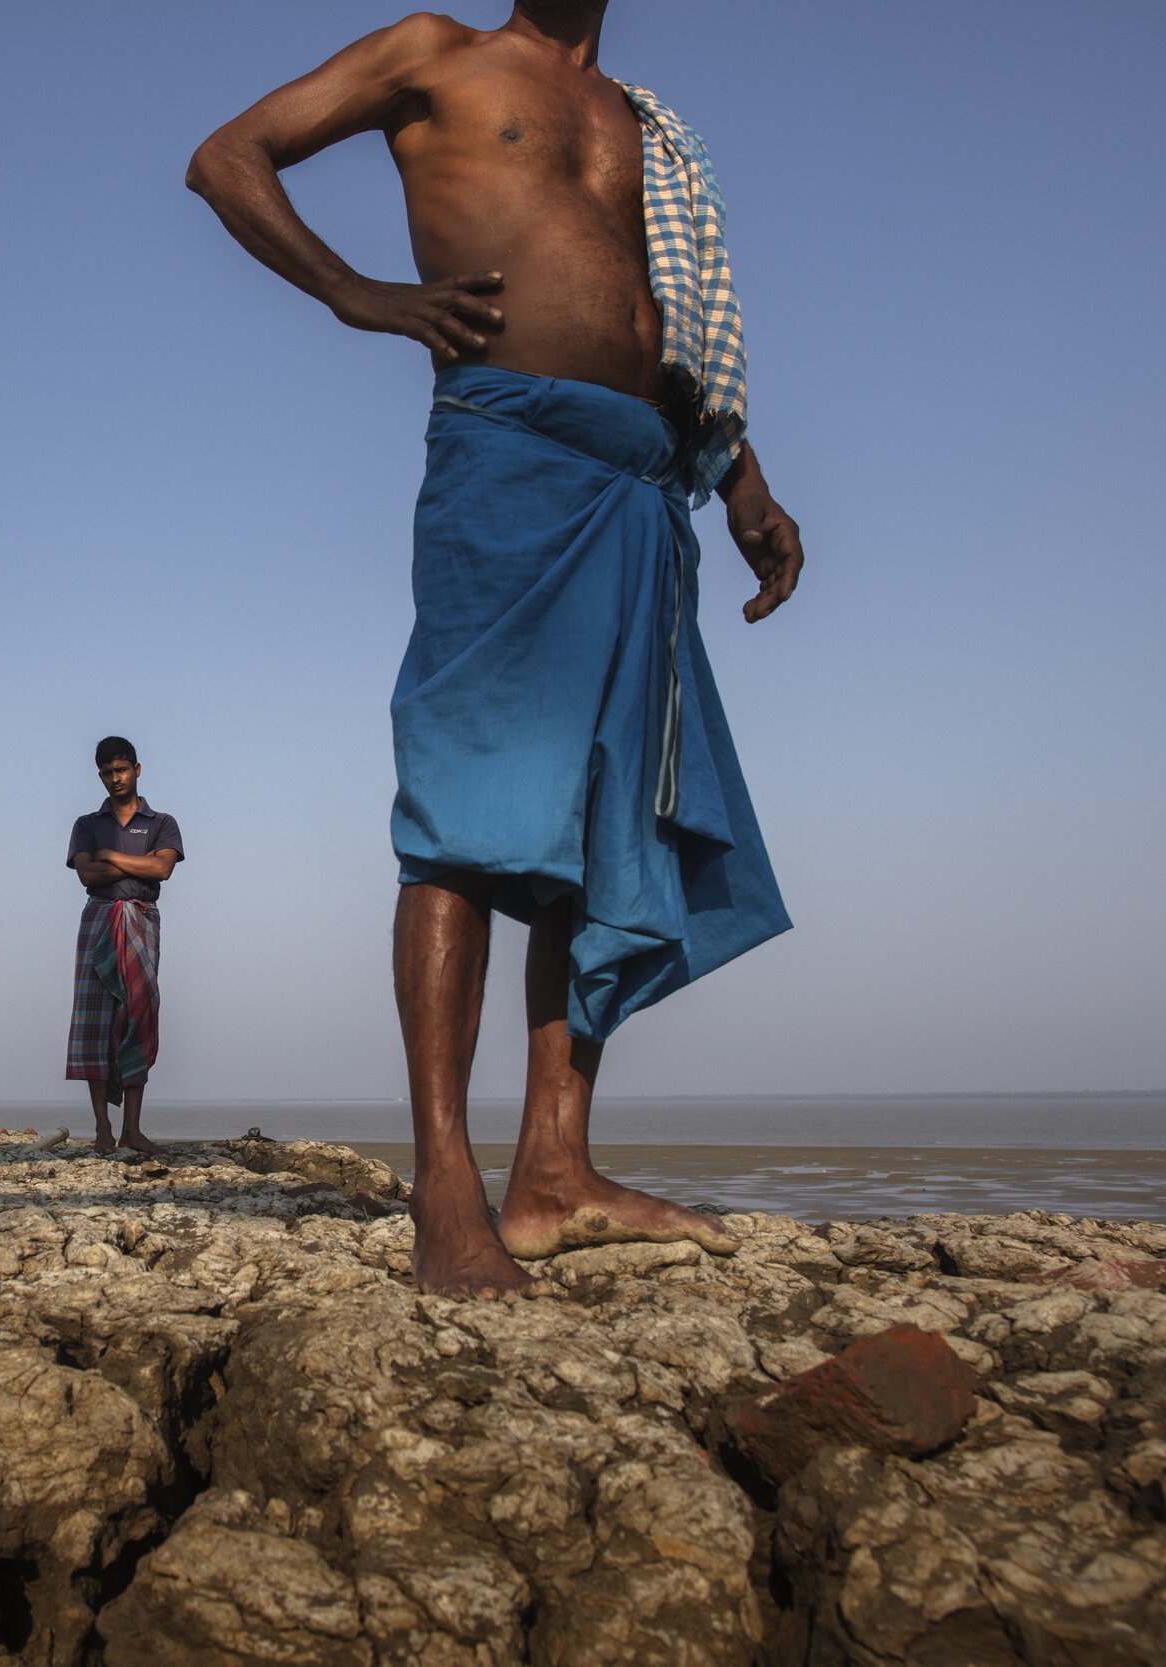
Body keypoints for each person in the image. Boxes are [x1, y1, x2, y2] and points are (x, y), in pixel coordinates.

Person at [188, 1, 805, 1294]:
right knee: (465, 811)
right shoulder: (436, 53)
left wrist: (742, 480)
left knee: (600, 821)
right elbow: (228, 155)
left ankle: (555, 1170)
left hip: (644, 483)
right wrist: (357, 291)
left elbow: (668, 318)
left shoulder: (640, 124)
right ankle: (446, 1189)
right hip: (509, 450)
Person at [65, 738, 184, 1155]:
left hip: (141, 920)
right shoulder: (86, 823)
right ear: (99, 775)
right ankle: (102, 1129)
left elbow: (162, 868)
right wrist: (133, 862)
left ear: (136, 768)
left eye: (120, 770)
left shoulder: (161, 822)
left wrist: (111, 855)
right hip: (98, 919)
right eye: (106, 772)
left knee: (138, 1016)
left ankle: (132, 1129)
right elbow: (86, 875)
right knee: (95, 1022)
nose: (114, 779)